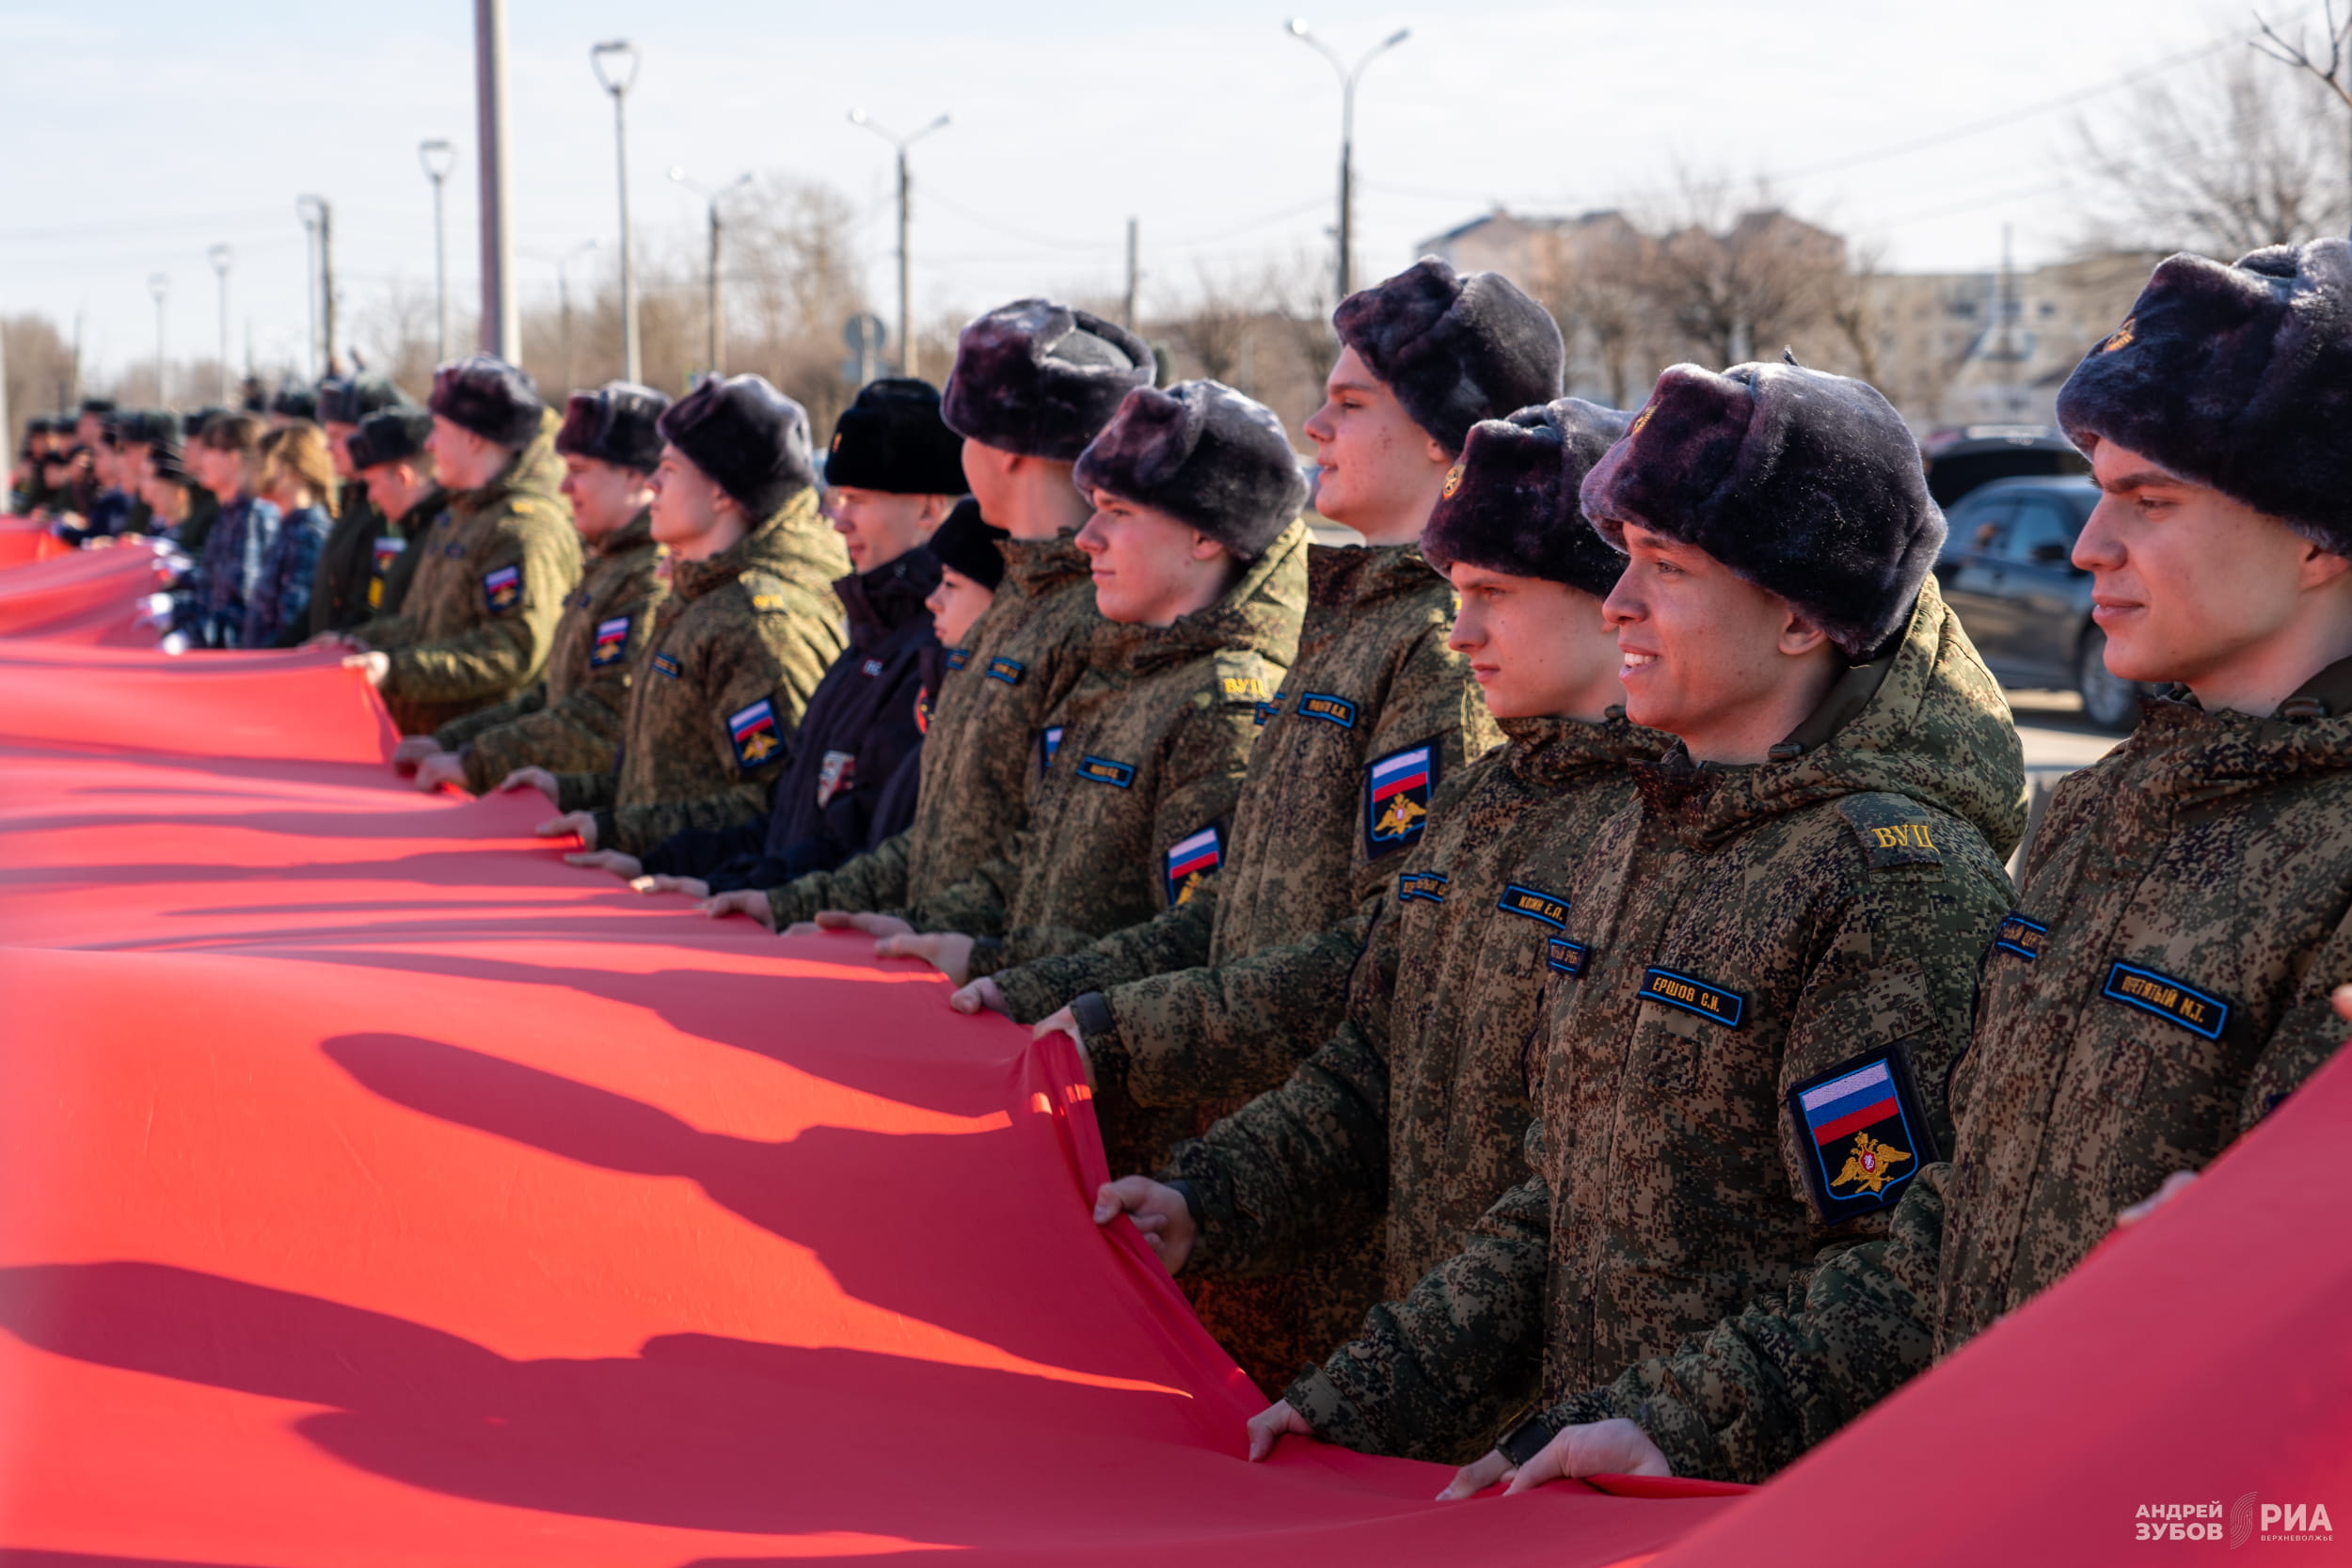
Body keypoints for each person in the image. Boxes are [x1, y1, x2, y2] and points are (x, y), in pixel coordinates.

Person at [1470, 239, 2352, 1495]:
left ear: (2321, 531)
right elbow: (1946, 1234)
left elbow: (2285, 1393)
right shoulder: (2101, 822)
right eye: (2098, 491)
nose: (2086, 543)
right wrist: (1679, 1421)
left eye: (2148, 500)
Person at [1248, 355, 2026, 1473]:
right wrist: (1360, 1399)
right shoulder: (1648, 825)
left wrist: (1671, 1430)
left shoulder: (1891, 882)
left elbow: (1901, 1274)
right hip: (1587, 1484)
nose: (1616, 601)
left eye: (1662, 565)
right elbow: (1559, 1202)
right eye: (1620, 560)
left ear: (1804, 614)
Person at [973, 257, 1559, 1390]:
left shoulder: (1452, 650)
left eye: (1349, 405)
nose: (1311, 425)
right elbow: (1241, 906)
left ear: (1446, 445)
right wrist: (1051, 997)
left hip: (1328, 1227)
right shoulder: (1363, 622)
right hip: (1251, 1182)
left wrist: (1117, 1023)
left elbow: (1372, 960)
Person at [1092, 396, 1673, 1379]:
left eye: (1495, 592)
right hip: (1422, 1386)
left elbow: (1590, 1201)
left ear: (1601, 598)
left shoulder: (1656, 834)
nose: (1462, 631)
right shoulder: (1492, 795)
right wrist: (1209, 1200)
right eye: (1458, 592)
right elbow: (1375, 1058)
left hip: (1540, 1438)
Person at [841, 382, 1313, 1166]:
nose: (1086, 537)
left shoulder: (1225, 705)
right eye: (1091, 507)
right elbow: (1027, 863)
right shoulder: (1125, 674)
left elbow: (1195, 940)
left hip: (1117, 1138)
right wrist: (921, 932)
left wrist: (999, 969)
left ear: (1205, 535)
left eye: (1118, 514)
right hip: (1040, 1086)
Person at [704, 302, 1152, 934]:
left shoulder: (1084, 616)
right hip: (948, 973)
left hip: (996, 996)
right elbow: (935, 834)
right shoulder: (1017, 603)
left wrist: (920, 932)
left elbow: (1044, 865)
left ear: (1005, 450)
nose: (839, 518)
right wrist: (804, 904)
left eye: (967, 433)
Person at [603, 377, 967, 895]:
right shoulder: (870, 638)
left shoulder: (933, 650)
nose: (837, 520)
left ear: (929, 511)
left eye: (856, 500)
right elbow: (789, 819)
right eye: (838, 499)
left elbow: (875, 853)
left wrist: (765, 898)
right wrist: (673, 862)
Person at [511, 372, 849, 859]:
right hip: (655, 887)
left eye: (668, 469)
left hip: (699, 910)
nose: (652, 483)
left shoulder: (758, 622)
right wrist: (572, 793)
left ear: (721, 492)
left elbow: (772, 806)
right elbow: (669, 780)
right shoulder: (701, 598)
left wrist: (621, 832)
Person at [400, 382, 670, 795]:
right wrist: (454, 741)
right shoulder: (611, 561)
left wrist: (478, 759)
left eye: (579, 471)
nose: (564, 487)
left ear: (635, 476)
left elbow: (602, 716)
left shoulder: (648, 578)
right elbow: (555, 694)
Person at [338, 355, 580, 734]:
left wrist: (395, 670)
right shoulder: (462, 513)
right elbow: (425, 625)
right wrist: (356, 644)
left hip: (479, 750)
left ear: (473, 438)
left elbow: (510, 651)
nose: (429, 444)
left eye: (438, 429)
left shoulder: (523, 528)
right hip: (433, 741)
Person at [310, 372, 413, 636]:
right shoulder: (354, 502)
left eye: (337, 436)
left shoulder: (386, 509)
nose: (328, 447)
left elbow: (372, 608)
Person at [184, 413, 281, 649]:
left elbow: (245, 605)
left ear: (234, 458)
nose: (201, 460)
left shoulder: (254, 515)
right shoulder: (229, 513)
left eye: (209, 450)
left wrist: (194, 636)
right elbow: (211, 592)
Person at [340, 408, 442, 620]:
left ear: (402, 477)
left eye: (373, 484)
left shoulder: (441, 537)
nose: (371, 497)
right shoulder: (421, 532)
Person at [244, 423, 339, 647]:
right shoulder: (289, 525)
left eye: (263, 462)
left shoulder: (307, 533)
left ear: (292, 469)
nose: (256, 471)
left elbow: (292, 625)